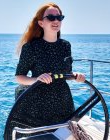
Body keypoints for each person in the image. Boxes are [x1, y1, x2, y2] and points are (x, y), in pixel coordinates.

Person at [15, 2, 85, 133]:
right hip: (38, 105)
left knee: (64, 134)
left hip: (63, 102)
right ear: (41, 23)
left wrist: (76, 76)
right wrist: (36, 79)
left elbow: (66, 73)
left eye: (59, 17)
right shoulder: (31, 47)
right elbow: (19, 77)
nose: (56, 20)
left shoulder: (66, 46)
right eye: (51, 17)